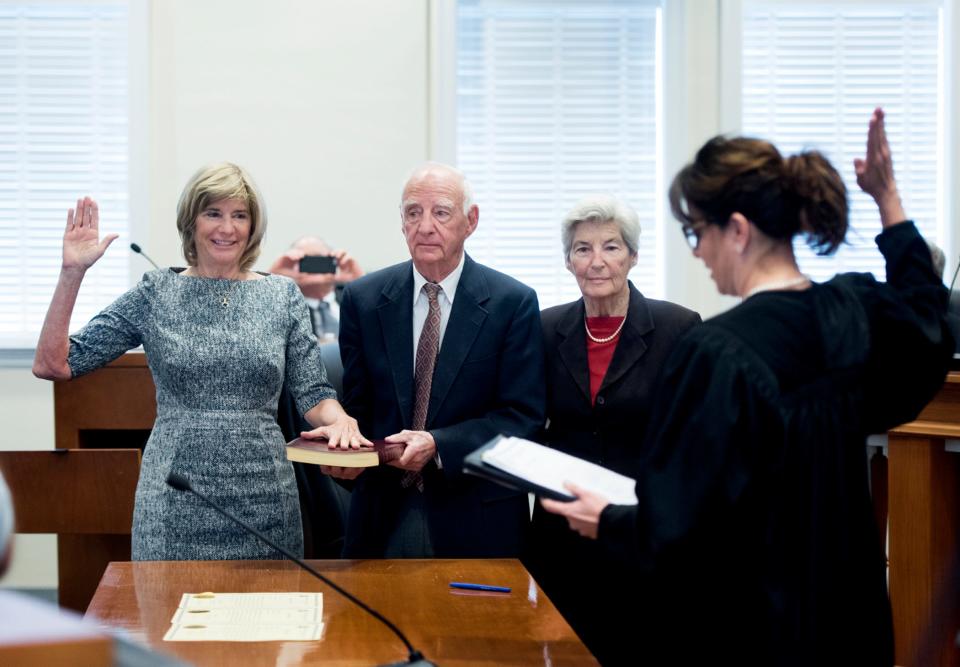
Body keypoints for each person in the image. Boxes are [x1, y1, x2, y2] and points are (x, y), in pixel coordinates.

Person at [541, 109, 954, 665]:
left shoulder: (716, 355)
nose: (696, 251)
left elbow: (682, 532)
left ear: (737, 231)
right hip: (849, 623)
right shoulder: (854, 312)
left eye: (698, 232)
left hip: (758, 632)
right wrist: (888, 199)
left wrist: (608, 521)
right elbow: (928, 324)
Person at [32, 163, 368, 560]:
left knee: (267, 619)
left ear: (252, 226)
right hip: (174, 498)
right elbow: (55, 364)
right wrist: (72, 273)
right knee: (168, 618)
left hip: (264, 500)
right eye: (213, 213)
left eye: (239, 215)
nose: (227, 228)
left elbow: (313, 394)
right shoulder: (156, 293)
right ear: (191, 221)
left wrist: (341, 420)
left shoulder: (283, 296)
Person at [324, 161, 545, 558]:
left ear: (470, 220)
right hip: (382, 516)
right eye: (413, 212)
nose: (425, 226)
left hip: (476, 516)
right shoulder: (363, 299)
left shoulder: (512, 303)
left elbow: (522, 417)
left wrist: (438, 444)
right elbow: (359, 410)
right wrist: (346, 453)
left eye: (441, 212)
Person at [525, 195, 700, 664]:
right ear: (568, 261)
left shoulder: (678, 327)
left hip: (640, 529)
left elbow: (689, 437)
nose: (596, 261)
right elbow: (527, 420)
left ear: (634, 256)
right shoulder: (543, 328)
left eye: (611, 247)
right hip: (562, 531)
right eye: (582, 249)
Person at [268, 237, 364, 339]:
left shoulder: (353, 297)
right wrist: (272, 280)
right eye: (305, 260)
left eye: (320, 259)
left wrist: (363, 282)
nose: (314, 267)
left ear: (334, 262)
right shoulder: (282, 306)